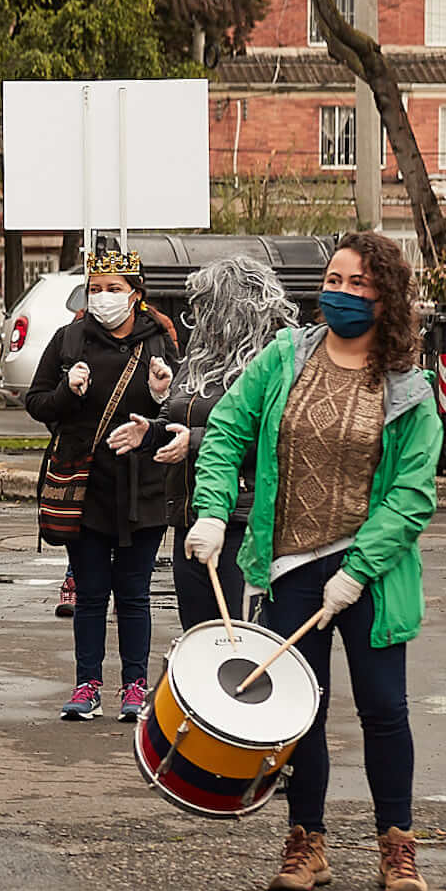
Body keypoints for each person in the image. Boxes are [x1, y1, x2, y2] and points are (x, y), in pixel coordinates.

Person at [188, 231, 442, 891]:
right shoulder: (282, 359)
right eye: (335, 279)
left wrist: (357, 569)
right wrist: (212, 510)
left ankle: (398, 846)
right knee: (302, 711)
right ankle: (306, 840)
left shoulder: (410, 390)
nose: (343, 292)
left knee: (385, 710)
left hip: (372, 574)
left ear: (385, 297)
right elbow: (227, 432)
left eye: (360, 283)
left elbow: (413, 493)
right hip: (290, 567)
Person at [23, 248, 174, 722]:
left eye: (114, 289)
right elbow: (37, 403)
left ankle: (135, 686)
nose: (104, 298)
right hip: (82, 486)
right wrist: (68, 392)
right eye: (97, 289)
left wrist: (162, 394)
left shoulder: (159, 342)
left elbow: (183, 412)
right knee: (90, 592)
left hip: (143, 486)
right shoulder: (70, 340)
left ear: (136, 295)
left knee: (134, 592)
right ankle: (87, 684)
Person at [154, 256, 299, 630]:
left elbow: (274, 434)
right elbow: (180, 417)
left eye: (206, 305)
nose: (196, 316)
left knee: (242, 635)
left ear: (233, 307)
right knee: (199, 635)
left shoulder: (273, 360)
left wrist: (196, 441)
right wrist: (155, 418)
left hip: (241, 520)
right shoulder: (199, 357)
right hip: (191, 513)